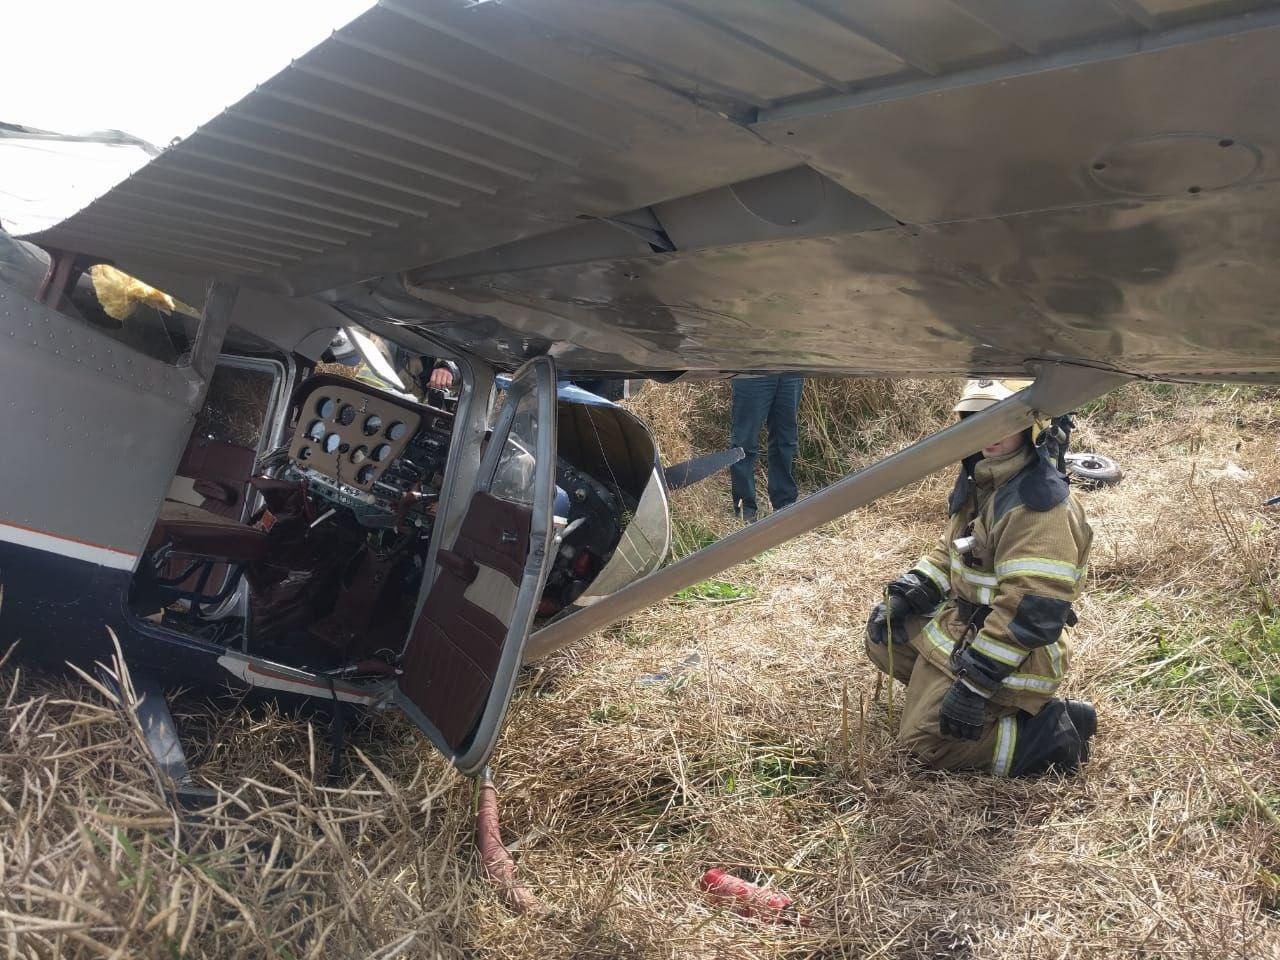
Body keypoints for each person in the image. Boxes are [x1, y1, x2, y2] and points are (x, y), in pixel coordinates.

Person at [863, 378, 1097, 777]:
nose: (988, 432)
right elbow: (949, 553)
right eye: (976, 419)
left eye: (1000, 420)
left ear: (1031, 428)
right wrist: (908, 593)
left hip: (1016, 650)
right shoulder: (984, 480)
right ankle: (944, 702)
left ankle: (1049, 731)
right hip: (967, 625)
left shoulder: (1039, 507)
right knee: (886, 638)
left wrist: (975, 684)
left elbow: (1029, 613)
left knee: (924, 745)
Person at [729, 374, 804, 522]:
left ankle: (785, 507)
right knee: (744, 444)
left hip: (790, 371)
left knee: (785, 442)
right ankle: (745, 512)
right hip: (752, 371)